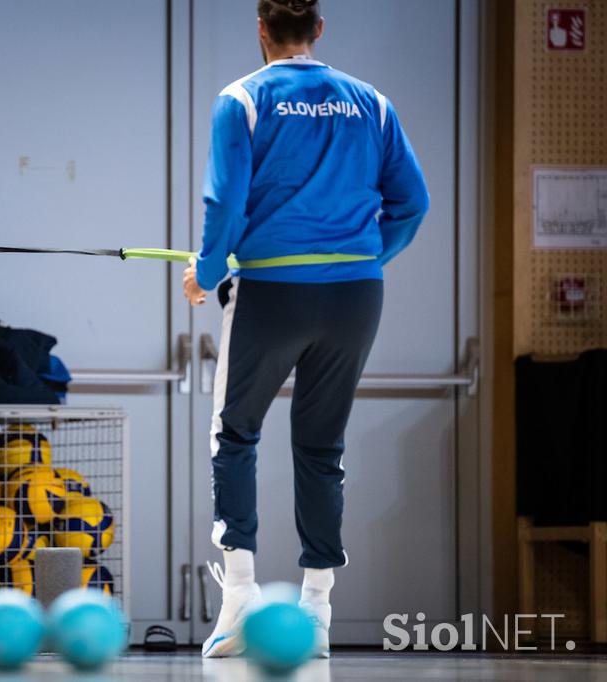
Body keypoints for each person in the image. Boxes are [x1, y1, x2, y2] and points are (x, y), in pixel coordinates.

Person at [184, 0, 429, 659]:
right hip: (356, 296)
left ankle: (238, 600)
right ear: (319, 29)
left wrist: (205, 271)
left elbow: (224, 198)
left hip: (271, 292)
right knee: (322, 447)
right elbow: (414, 201)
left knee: (234, 434)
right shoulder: (372, 103)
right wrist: (369, 256)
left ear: (261, 30)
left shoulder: (242, 99)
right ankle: (317, 609)